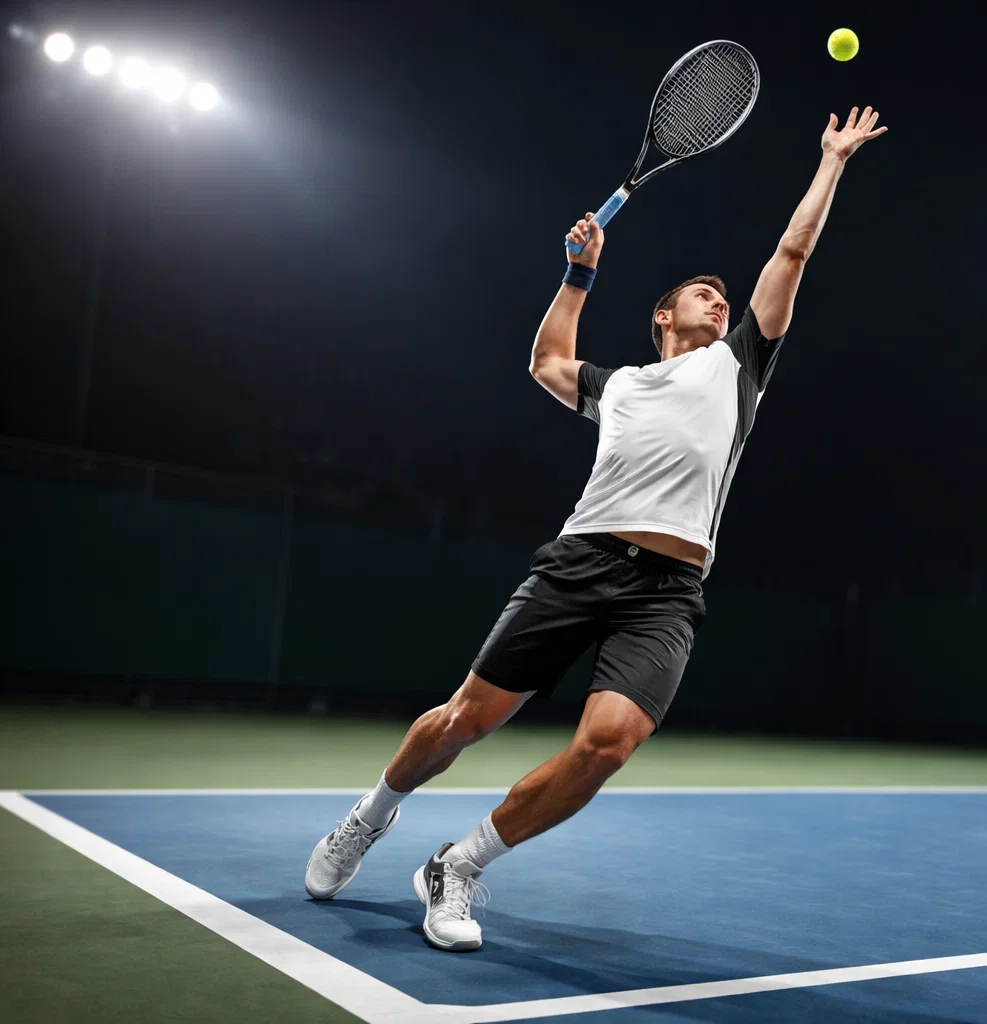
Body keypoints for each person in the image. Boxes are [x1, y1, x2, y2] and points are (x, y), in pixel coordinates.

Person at [303, 107, 887, 951]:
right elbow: (545, 362)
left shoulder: (741, 366)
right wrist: (578, 275)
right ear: (663, 318)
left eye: (725, 295)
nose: (721, 300)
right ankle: (371, 815)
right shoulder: (618, 386)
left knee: (608, 744)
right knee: (466, 717)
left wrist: (831, 161)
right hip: (581, 563)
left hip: (669, 590)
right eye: (702, 293)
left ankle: (458, 865)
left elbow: (791, 254)